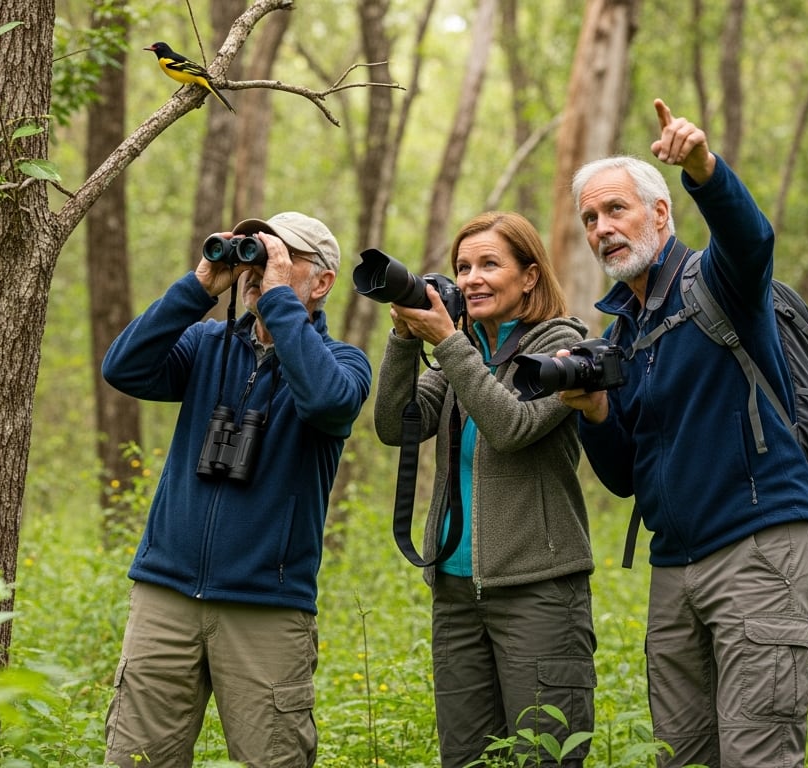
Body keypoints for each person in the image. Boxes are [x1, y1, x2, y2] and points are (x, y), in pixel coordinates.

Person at [559, 99, 808, 767]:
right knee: (683, 756)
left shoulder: (716, 280)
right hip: (673, 568)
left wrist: (704, 168)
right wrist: (593, 412)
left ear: (659, 213)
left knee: (757, 755)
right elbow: (624, 476)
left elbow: (752, 238)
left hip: (758, 549)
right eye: (590, 218)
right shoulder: (623, 332)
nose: (602, 229)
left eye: (615, 210)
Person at [99, 211, 371, 768]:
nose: (258, 267)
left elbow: (324, 402)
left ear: (320, 283)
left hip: (265, 608)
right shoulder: (205, 344)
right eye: (255, 251)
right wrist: (198, 285)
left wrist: (278, 302)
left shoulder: (344, 364)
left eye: (280, 256)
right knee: (135, 760)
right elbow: (123, 368)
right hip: (166, 595)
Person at [373, 211, 597, 767]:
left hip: (537, 589)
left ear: (529, 276)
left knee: (543, 756)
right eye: (462, 267)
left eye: (489, 264)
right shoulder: (463, 348)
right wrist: (405, 340)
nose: (471, 278)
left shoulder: (562, 346)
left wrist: (448, 341)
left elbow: (512, 427)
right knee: (468, 759)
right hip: (455, 591)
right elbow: (394, 424)